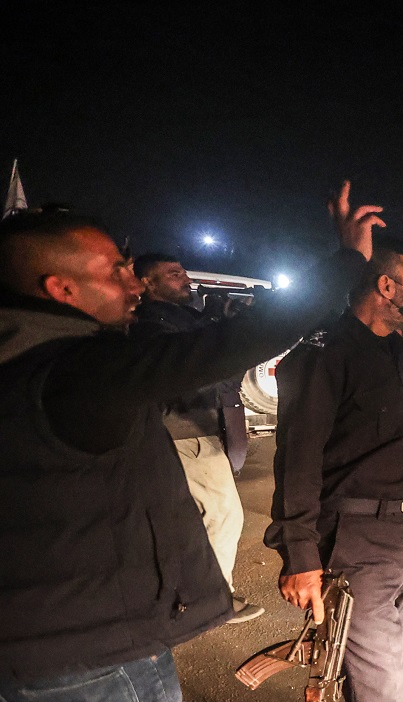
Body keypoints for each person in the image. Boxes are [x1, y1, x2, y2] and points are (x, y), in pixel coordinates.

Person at [0, 181, 376, 701]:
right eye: (116, 272)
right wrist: (348, 258)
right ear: (61, 289)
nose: (134, 287)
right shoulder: (79, 371)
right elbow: (244, 337)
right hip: (92, 658)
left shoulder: (23, 354)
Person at [265, 236, 403, 701]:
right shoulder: (326, 353)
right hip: (356, 542)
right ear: (387, 286)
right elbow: (297, 461)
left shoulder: (397, 352)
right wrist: (300, 556)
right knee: (380, 688)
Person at [131, 252, 263, 625]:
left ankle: (185, 596)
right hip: (185, 430)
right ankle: (212, 599)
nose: (185, 279)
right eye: (173, 274)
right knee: (224, 514)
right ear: (147, 284)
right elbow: (201, 372)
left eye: (184, 273)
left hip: (193, 427)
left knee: (188, 519)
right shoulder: (152, 325)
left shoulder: (183, 320)